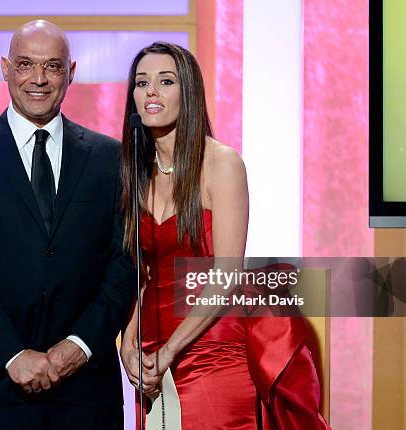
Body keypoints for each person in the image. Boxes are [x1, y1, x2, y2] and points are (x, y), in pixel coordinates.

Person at [0, 20, 135, 429]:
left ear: (71, 72)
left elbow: (123, 264)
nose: (39, 79)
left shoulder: (110, 158)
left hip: (86, 391)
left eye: (53, 67)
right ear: (6, 69)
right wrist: (11, 355)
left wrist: (78, 346)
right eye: (25, 64)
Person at [119, 42, 331, 429]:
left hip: (212, 343)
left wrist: (171, 351)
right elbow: (146, 274)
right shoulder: (137, 172)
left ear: (189, 91)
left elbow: (227, 273)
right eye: (141, 82)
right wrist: (130, 342)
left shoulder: (221, 163)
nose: (150, 92)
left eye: (165, 81)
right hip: (153, 352)